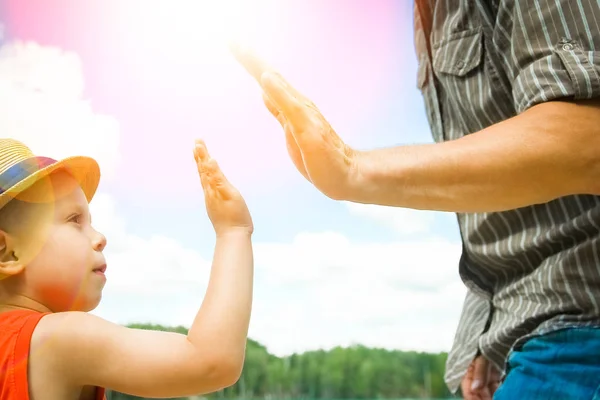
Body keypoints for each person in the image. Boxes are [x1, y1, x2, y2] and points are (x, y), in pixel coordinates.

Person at [231, 1, 600, 398]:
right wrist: (484, 332)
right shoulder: (432, 17)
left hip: (580, 329)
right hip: (525, 330)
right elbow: (499, 197)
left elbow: (587, 139)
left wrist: (353, 170)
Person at [0, 138, 254, 399]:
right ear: (6, 252)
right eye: (74, 220)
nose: (99, 237)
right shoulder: (60, 339)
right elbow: (211, 361)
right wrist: (233, 232)